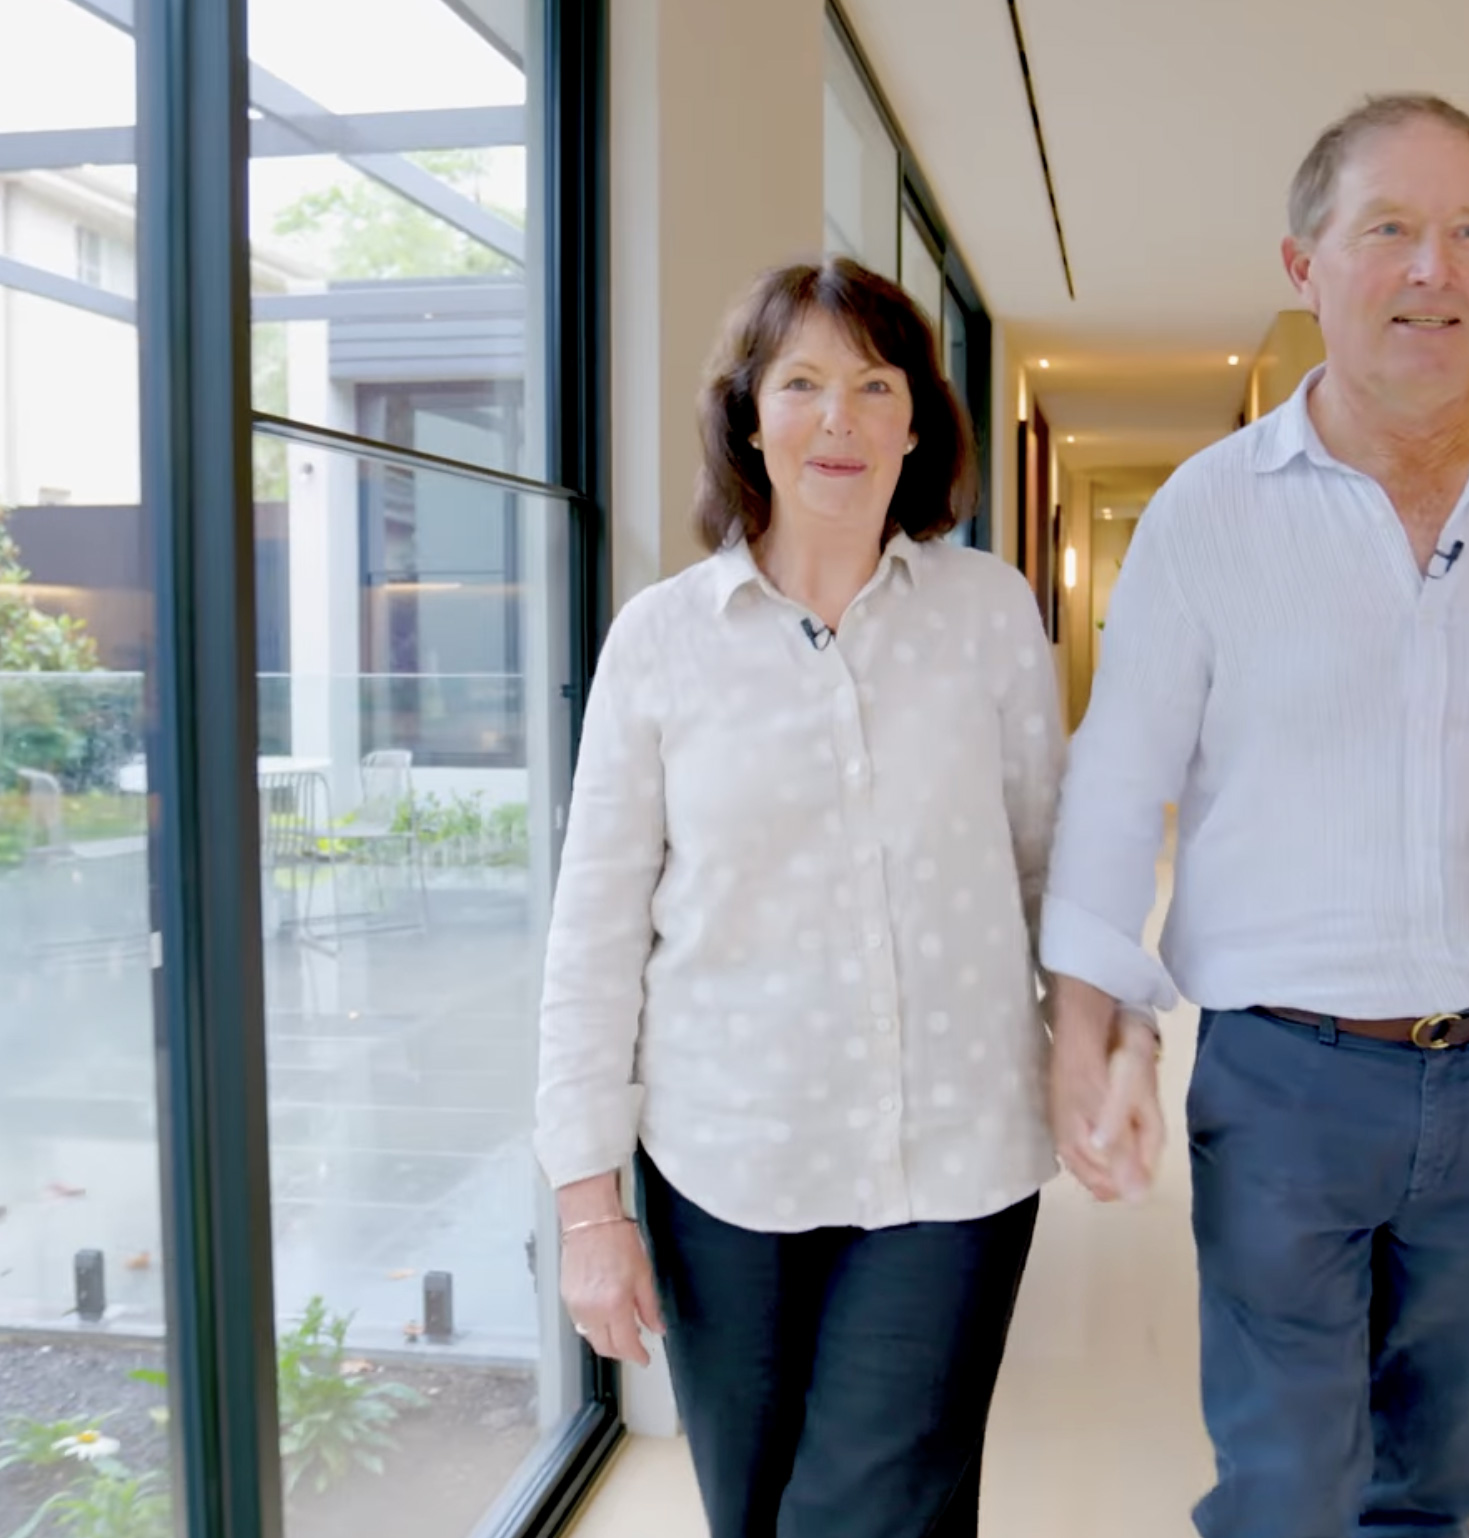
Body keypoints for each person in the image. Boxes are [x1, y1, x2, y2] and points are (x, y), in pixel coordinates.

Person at [1040, 94, 1469, 1537]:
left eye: (1468, 231)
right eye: (1390, 230)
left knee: (1440, 1481)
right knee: (1285, 1485)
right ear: (1303, 266)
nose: (1434, 267)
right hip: (1285, 1083)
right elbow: (1116, 779)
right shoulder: (1208, 510)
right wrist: (1083, 1032)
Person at [532, 257, 1064, 1538]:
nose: (840, 418)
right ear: (748, 415)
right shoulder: (662, 638)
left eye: (875, 385)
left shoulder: (988, 615)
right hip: (726, 1162)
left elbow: (1050, 865)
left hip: (955, 1155)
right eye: (803, 383)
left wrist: (1106, 1040)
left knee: (865, 1508)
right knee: (759, 1509)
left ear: (917, 421)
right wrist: (588, 1205)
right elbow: (595, 931)